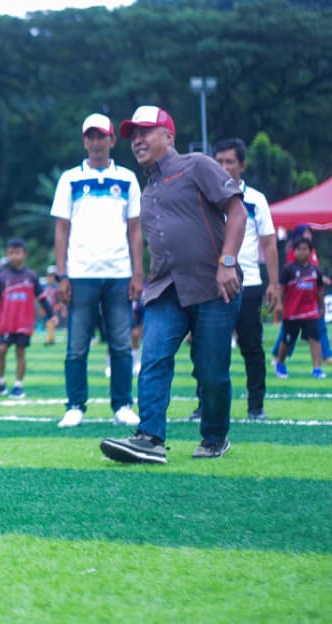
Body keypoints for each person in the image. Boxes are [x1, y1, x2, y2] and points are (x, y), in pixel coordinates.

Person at [101, 105, 246, 464]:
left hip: (213, 285)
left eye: (145, 132)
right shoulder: (146, 190)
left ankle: (215, 437)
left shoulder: (197, 165)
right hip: (165, 289)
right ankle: (149, 438)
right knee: (153, 359)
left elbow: (237, 211)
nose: (137, 140)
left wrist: (227, 262)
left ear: (168, 136)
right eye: (133, 135)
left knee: (210, 372)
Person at [51, 113, 143, 429]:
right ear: (84, 141)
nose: (96, 142)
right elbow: (61, 229)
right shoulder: (69, 179)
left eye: (101, 136)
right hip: (80, 273)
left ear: (112, 140)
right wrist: (62, 275)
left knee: (121, 345)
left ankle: (123, 405)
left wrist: (138, 272)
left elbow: (135, 228)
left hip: (119, 272)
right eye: (90, 136)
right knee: (77, 346)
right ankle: (75, 405)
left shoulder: (127, 178)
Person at [189, 138, 281, 421]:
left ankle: (256, 405)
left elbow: (269, 243)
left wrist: (274, 283)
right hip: (210, 284)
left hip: (248, 283)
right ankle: (205, 405)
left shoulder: (255, 199)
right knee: (205, 347)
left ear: (243, 165)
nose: (224, 166)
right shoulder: (203, 196)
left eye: (230, 161)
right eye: (219, 161)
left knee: (251, 346)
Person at [0, 238, 53, 398]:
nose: (14, 256)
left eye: (17, 252)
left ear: (24, 254)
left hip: (24, 322)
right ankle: (0, 383)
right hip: (6, 322)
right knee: (1, 350)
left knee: (20, 352)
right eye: (10, 253)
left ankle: (18, 386)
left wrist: (51, 315)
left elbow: (42, 297)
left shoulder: (31, 276)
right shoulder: (2, 277)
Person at [275, 236, 326, 379]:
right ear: (294, 251)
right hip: (292, 313)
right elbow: (281, 289)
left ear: (310, 251)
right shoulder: (288, 269)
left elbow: (319, 291)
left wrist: (321, 307)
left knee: (315, 339)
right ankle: (280, 364)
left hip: (310, 312)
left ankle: (317, 369)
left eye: (305, 249)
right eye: (299, 249)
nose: (302, 252)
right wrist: (279, 304)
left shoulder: (315, 270)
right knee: (287, 341)